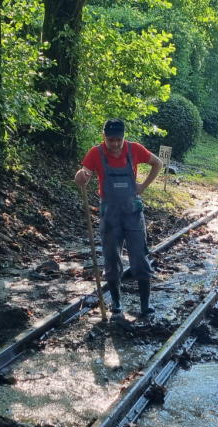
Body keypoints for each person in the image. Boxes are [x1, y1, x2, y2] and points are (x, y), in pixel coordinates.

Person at [74, 119, 163, 319]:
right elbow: (83, 177)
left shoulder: (134, 150)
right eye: (111, 140)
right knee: (112, 258)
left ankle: (145, 304)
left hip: (132, 210)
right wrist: (81, 177)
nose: (114, 144)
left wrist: (143, 186)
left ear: (124, 137)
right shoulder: (95, 153)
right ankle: (116, 303)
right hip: (109, 210)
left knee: (139, 257)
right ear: (103, 136)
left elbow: (157, 163)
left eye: (118, 140)